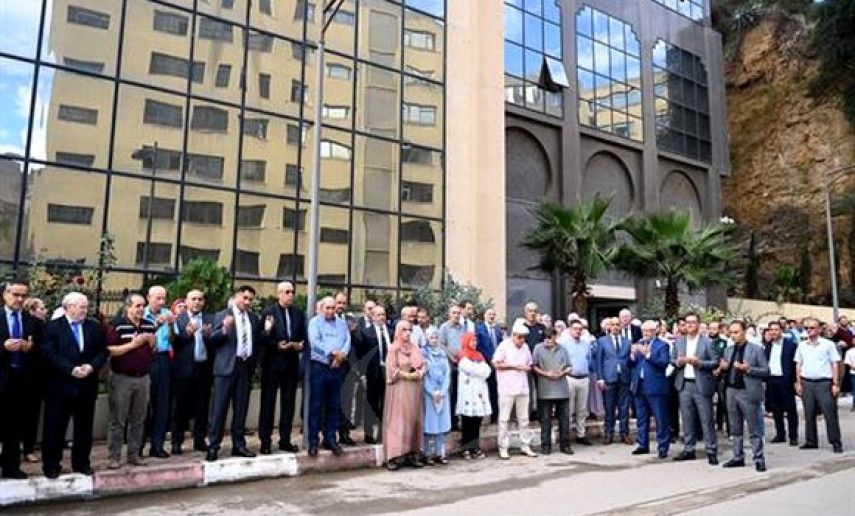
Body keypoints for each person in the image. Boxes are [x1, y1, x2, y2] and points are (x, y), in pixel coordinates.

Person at [40, 292, 106, 479]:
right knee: (54, 428)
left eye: (86, 306)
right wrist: (71, 369)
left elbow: (102, 351)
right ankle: (51, 465)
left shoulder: (93, 327)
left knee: (84, 429)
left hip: (86, 386)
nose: (85, 310)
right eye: (80, 306)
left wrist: (91, 366)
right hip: (60, 386)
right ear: (68, 307)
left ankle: (81, 463)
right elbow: (48, 353)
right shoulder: (53, 328)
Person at [206, 285, 262, 462]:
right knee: (219, 409)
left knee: (241, 407)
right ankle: (213, 446)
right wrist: (224, 329)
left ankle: (239, 445)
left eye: (250, 299)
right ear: (237, 296)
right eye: (245, 298)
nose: (247, 302)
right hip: (225, 368)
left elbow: (257, 341)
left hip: (244, 367)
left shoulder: (253, 318)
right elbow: (212, 340)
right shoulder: (223, 315)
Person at [106, 293, 157, 469]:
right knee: (118, 419)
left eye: (143, 306)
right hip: (122, 378)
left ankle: (134, 454)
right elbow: (110, 350)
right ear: (128, 307)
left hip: (143, 377)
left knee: (138, 419)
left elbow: (152, 350)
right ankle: (114, 457)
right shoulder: (118, 325)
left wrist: (151, 343)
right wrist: (133, 344)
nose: (141, 309)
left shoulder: (149, 325)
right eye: (137, 306)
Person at [0, 280, 42, 479]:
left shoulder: (31, 321)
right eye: (15, 294)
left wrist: (29, 348)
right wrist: (3, 347)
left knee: (14, 426)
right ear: (5, 294)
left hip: (21, 380)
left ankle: (11, 466)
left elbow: (41, 350)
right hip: (2, 377)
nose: (19, 299)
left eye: (23, 295)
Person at [258, 281, 306, 454]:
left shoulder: (298, 313)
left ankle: (285, 440)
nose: (290, 295)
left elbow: (303, 337)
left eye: (292, 292)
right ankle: (265, 441)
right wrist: (276, 345)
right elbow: (262, 337)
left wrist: (300, 345)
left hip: (291, 364)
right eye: (286, 292)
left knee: (288, 404)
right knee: (268, 403)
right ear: (278, 294)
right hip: (272, 364)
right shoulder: (268, 313)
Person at [717, 321, 770, 472]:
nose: (733, 335)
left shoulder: (757, 350)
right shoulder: (728, 350)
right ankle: (738, 456)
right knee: (735, 427)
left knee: (754, 428)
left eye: (737, 332)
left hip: (748, 391)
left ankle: (759, 458)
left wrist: (749, 369)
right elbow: (725, 368)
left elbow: (766, 371)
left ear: (744, 331)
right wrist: (723, 369)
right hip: (731, 391)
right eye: (731, 333)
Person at [171, 289, 214, 454]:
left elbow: (216, 341)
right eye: (193, 299)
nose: (197, 302)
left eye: (200, 299)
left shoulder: (210, 318)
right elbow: (174, 342)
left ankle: (200, 439)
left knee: (202, 406)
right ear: (187, 301)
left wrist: (210, 335)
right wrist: (187, 333)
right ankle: (177, 441)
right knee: (180, 407)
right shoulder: (179, 319)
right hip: (183, 369)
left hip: (203, 368)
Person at [672, 312, 719, 465]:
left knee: (706, 419)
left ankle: (711, 450)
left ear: (698, 324)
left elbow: (714, 362)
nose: (690, 325)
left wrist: (699, 363)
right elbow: (672, 360)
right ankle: (689, 449)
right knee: (687, 419)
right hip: (684, 384)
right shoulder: (679, 342)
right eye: (687, 322)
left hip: (701, 384)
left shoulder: (707, 342)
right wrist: (678, 362)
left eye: (693, 322)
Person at [306, 296, 351, 457]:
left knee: (334, 405)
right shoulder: (315, 322)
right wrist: (332, 354)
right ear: (322, 308)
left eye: (333, 308)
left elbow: (347, 341)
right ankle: (313, 441)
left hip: (337, 367)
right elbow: (315, 342)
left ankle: (331, 439)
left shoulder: (341, 323)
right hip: (320, 366)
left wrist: (341, 355)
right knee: (316, 405)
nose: (331, 311)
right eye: (328, 308)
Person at [795, 317, 843, 453]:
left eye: (812, 328)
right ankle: (811, 440)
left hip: (824, 383)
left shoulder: (828, 344)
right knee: (808, 413)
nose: (809, 330)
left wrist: (835, 383)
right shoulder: (802, 345)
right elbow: (799, 364)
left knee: (830, 413)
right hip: (807, 382)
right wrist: (798, 382)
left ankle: (835, 441)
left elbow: (835, 363)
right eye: (806, 328)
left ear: (819, 329)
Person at [383, 320, 426, 470]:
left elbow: (423, 363)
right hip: (399, 390)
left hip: (414, 391)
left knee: (413, 420)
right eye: (404, 330)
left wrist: (421, 372)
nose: (407, 333)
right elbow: (392, 371)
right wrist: (409, 376)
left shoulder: (414, 348)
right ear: (398, 331)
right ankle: (393, 456)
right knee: (398, 421)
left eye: (409, 330)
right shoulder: (393, 349)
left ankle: (412, 453)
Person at [494, 320, 537, 460]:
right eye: (519, 337)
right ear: (513, 335)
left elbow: (529, 364)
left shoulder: (525, 347)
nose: (521, 340)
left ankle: (525, 445)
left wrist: (525, 368)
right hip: (507, 387)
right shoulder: (504, 345)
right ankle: (503, 447)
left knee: (524, 419)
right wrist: (515, 366)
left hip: (522, 387)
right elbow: (496, 363)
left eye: (524, 337)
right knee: (504, 419)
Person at [629, 320, 672, 459]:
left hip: (656, 387)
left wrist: (648, 355)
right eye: (644, 331)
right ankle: (642, 444)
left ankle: (663, 447)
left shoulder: (662, 345)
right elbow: (630, 364)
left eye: (648, 331)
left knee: (660, 418)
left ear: (655, 331)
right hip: (639, 385)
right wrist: (631, 355)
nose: (645, 333)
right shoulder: (639, 344)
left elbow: (664, 363)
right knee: (641, 418)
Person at [143, 285, 177, 458]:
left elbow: (173, 339)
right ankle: (139, 444)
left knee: (162, 404)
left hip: (163, 359)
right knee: (143, 405)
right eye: (158, 298)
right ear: (149, 297)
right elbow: (142, 338)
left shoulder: (167, 314)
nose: (161, 302)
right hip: (146, 359)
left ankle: (157, 445)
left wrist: (171, 325)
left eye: (164, 298)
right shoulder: (141, 314)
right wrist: (156, 324)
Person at [533, 328, 572, 455]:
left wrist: (562, 372)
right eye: (545, 339)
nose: (547, 341)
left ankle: (565, 445)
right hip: (545, 390)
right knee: (545, 420)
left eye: (550, 338)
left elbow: (569, 366)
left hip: (562, 389)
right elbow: (533, 366)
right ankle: (546, 446)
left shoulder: (563, 349)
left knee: (564, 419)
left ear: (555, 337)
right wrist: (546, 373)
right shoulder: (538, 348)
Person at [357, 304, 392, 444]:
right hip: (373, 373)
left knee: (386, 404)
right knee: (371, 403)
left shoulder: (391, 332)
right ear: (372, 317)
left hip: (388, 372)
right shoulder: (366, 333)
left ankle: (383, 434)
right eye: (379, 315)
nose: (382, 317)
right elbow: (361, 356)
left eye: (383, 314)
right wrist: (362, 374)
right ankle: (369, 434)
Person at [455, 332, 491, 459]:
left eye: (475, 341)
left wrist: (479, 370)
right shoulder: (463, 356)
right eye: (472, 341)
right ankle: (466, 448)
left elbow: (487, 371)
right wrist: (479, 369)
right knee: (467, 422)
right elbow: (469, 369)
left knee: (477, 422)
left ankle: (475, 447)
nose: (474, 343)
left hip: (479, 393)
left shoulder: (480, 355)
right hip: (468, 393)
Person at [20, 296, 47, 464]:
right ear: (31, 310)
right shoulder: (28, 325)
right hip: (24, 375)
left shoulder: (43, 326)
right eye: (41, 308)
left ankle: (29, 448)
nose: (45, 311)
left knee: (32, 414)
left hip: (37, 377)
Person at [597, 317, 632, 445]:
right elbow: (599, 361)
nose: (616, 327)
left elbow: (630, 361)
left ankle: (624, 434)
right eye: (613, 325)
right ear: (609, 327)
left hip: (624, 378)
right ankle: (608, 434)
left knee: (624, 408)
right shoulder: (602, 341)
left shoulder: (627, 341)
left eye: (618, 324)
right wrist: (600, 378)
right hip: (608, 378)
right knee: (609, 408)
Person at [764, 321, 798, 445]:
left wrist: (795, 381)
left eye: (776, 329)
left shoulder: (790, 345)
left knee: (790, 408)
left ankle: (793, 436)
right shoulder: (768, 346)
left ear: (781, 331)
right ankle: (780, 434)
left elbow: (795, 364)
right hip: (772, 380)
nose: (773, 332)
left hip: (785, 380)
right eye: (771, 329)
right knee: (775, 408)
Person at [560, 319, 593, 446]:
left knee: (582, 409)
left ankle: (581, 434)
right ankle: (566, 436)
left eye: (580, 329)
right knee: (568, 409)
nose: (578, 331)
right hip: (570, 379)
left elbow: (589, 360)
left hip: (584, 379)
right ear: (569, 330)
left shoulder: (586, 344)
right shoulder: (565, 344)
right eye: (575, 329)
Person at [422, 328, 451, 465]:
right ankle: (428, 454)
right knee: (430, 424)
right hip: (429, 394)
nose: (434, 339)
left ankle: (440, 453)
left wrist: (443, 391)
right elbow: (424, 375)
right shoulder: (424, 354)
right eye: (431, 337)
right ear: (427, 338)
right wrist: (432, 392)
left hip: (442, 394)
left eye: (436, 336)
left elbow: (447, 373)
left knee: (441, 424)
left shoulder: (442, 354)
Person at [438, 304, 467, 430]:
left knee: (459, 392)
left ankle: (456, 421)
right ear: (449, 314)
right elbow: (441, 344)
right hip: (449, 364)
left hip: (462, 363)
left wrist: (463, 356)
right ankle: (448, 422)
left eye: (458, 313)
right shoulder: (444, 327)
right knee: (450, 392)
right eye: (454, 313)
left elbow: (465, 344)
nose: (456, 315)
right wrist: (452, 358)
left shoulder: (463, 328)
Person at [475, 308, 502, 424]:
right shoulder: (479, 329)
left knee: (494, 391)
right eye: (489, 314)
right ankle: (481, 416)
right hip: (484, 364)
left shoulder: (497, 330)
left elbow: (500, 346)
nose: (491, 316)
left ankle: (494, 416)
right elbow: (478, 347)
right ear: (484, 316)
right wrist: (488, 360)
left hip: (496, 365)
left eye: (493, 314)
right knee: (482, 390)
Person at [708, 321, 731, 435]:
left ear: (719, 330)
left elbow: (724, 357)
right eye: (710, 328)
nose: (712, 331)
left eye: (714, 328)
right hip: (707, 375)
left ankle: (728, 428)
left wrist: (718, 369)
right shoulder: (705, 342)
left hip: (720, 375)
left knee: (724, 402)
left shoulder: (723, 342)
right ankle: (713, 425)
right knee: (707, 402)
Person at [845, 343, 855, 411]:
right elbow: (847, 362)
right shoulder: (849, 351)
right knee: (854, 389)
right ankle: (854, 404)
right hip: (853, 373)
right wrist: (853, 367)